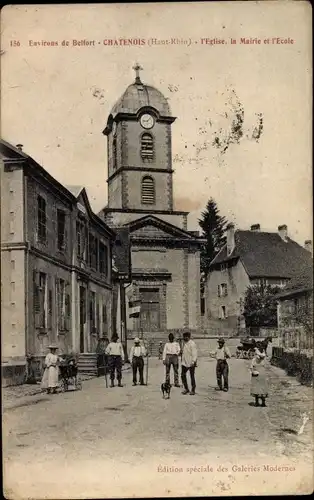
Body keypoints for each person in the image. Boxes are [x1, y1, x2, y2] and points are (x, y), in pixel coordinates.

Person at [181, 331, 197, 395]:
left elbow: (194, 354)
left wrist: (193, 361)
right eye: (184, 337)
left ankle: (193, 390)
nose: (184, 338)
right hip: (184, 363)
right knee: (182, 375)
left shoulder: (192, 344)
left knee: (192, 376)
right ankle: (186, 388)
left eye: (185, 337)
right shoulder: (184, 343)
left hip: (191, 362)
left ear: (188, 337)